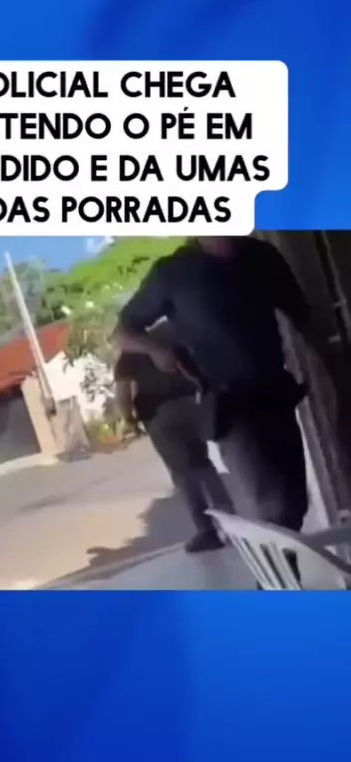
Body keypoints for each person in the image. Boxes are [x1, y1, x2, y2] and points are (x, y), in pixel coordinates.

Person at [114, 237, 333, 565]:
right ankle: (273, 586)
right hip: (229, 407)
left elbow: (304, 317)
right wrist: (156, 351)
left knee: (294, 505)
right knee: (272, 505)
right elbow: (122, 332)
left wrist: (333, 367)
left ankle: (277, 581)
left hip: (275, 395)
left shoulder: (262, 257)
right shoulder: (173, 272)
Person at [114, 321, 232, 553]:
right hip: (191, 405)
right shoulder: (170, 335)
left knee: (183, 474)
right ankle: (231, 519)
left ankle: (207, 531)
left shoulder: (128, 355)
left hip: (160, 416)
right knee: (203, 464)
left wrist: (129, 419)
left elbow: (122, 395)